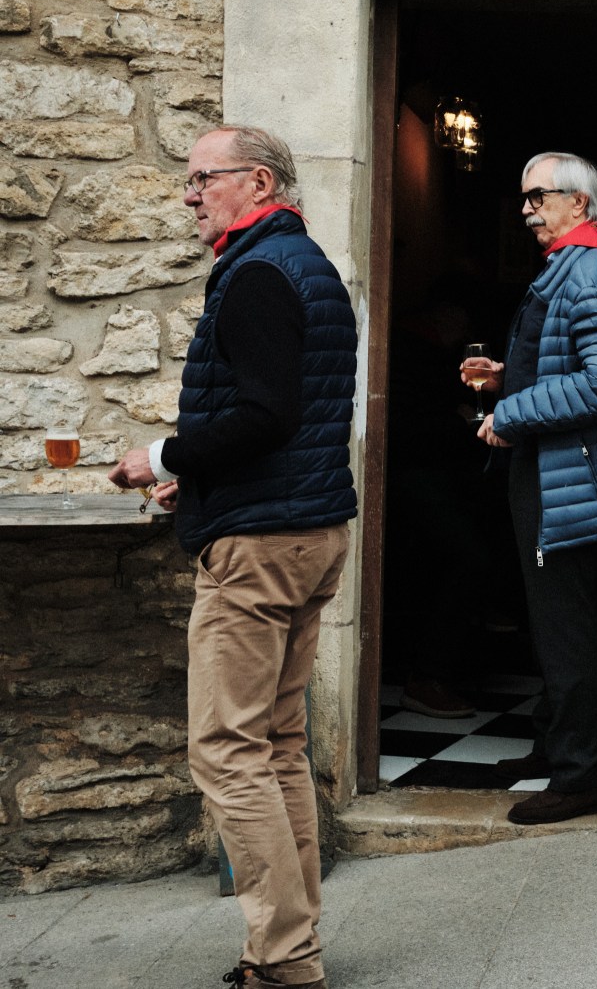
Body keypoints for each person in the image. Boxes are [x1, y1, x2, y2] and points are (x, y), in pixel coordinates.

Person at [110, 126, 357, 989]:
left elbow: (267, 415)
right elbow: (286, 416)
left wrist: (166, 459)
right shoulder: (306, 264)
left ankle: (284, 959)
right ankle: (293, 946)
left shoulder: (257, 273)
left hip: (260, 546)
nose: (189, 196)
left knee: (226, 751)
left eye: (201, 179)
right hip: (306, 530)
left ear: (257, 181)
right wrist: (201, 480)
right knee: (277, 743)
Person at [463, 151, 597, 825]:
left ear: (579, 204)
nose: (527, 208)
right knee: (552, 618)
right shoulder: (580, 264)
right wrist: (508, 378)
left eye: (539, 197)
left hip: (569, 482)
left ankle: (579, 776)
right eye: (525, 196)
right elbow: (579, 363)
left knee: (566, 626)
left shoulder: (589, 274)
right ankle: (553, 748)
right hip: (559, 473)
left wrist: (513, 412)